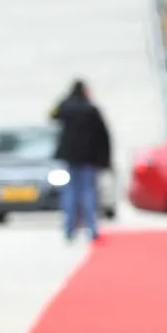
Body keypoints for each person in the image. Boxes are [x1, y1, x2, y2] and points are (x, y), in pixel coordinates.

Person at [51, 79, 111, 242]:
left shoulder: (66, 107)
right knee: (89, 192)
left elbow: (52, 114)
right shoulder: (91, 110)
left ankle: (69, 229)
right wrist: (105, 160)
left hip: (71, 157)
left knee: (70, 192)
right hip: (89, 158)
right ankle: (91, 229)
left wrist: (65, 98)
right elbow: (103, 136)